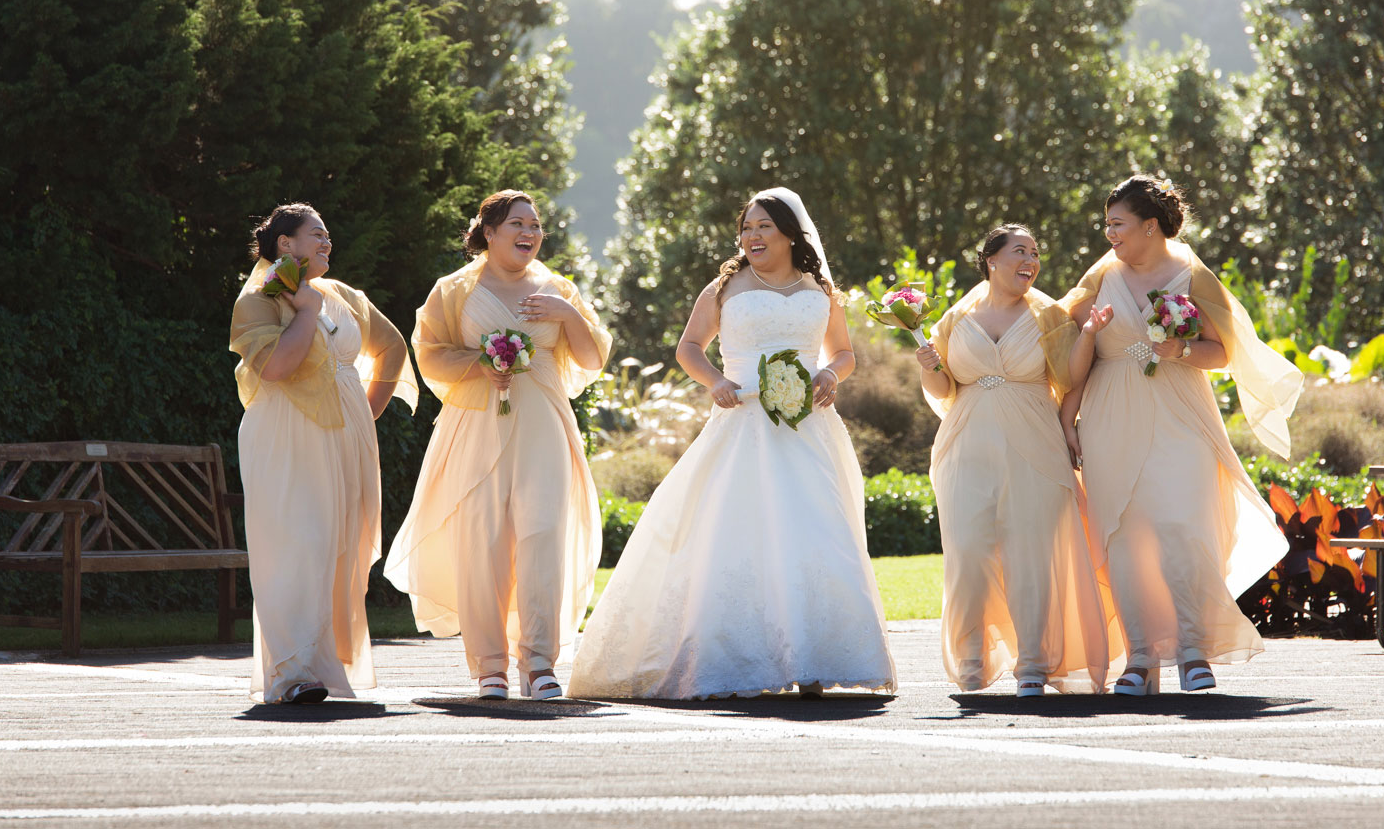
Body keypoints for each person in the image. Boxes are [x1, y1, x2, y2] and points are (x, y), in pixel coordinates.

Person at [568, 188, 896, 700]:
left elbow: (845, 352)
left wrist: (831, 372)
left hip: (808, 428)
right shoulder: (725, 288)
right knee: (738, 533)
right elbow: (689, 348)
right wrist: (716, 382)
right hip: (742, 421)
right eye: (746, 227)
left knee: (815, 533)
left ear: (790, 232)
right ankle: (733, 658)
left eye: (763, 226)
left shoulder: (821, 288)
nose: (752, 235)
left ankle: (812, 658)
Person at [1061, 175, 1302, 695]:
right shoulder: (1101, 275)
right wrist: (1067, 417)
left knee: (1183, 531)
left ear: (1150, 226)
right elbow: (1066, 346)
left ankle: (1196, 652)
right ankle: (1140, 659)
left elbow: (1225, 350)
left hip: (1180, 414)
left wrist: (1182, 351)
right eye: (1107, 225)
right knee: (1124, 539)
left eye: (1118, 224)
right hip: (1111, 417)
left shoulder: (1193, 275)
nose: (1110, 235)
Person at [384, 190, 610, 701]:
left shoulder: (559, 287)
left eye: (535, 224)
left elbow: (593, 356)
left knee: (542, 536)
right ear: (489, 232)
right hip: (477, 425)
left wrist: (567, 314)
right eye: (517, 223)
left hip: (543, 425)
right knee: (482, 541)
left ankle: (539, 663)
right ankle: (489, 665)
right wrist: (480, 365)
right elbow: (431, 354)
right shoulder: (453, 290)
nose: (529, 232)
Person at [918, 224, 1120, 696]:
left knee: (1033, 556)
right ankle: (973, 656)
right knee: (968, 554)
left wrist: (1088, 334)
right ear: (991, 260)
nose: (1030, 260)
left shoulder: (1048, 315)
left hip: (1034, 443)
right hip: (966, 446)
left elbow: (1071, 377)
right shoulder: (956, 316)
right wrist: (928, 368)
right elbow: (944, 390)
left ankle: (1034, 662)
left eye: (1034, 253)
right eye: (1019, 252)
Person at [230, 203, 419, 704]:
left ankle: (321, 664)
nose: (327, 243)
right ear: (285, 244)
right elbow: (275, 368)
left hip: (344, 438)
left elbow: (394, 346)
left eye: (329, 236)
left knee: (341, 545)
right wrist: (306, 310)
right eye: (317, 235)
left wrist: (366, 412)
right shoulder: (261, 295)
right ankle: (291, 672)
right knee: (297, 542)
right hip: (286, 434)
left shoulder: (344, 295)